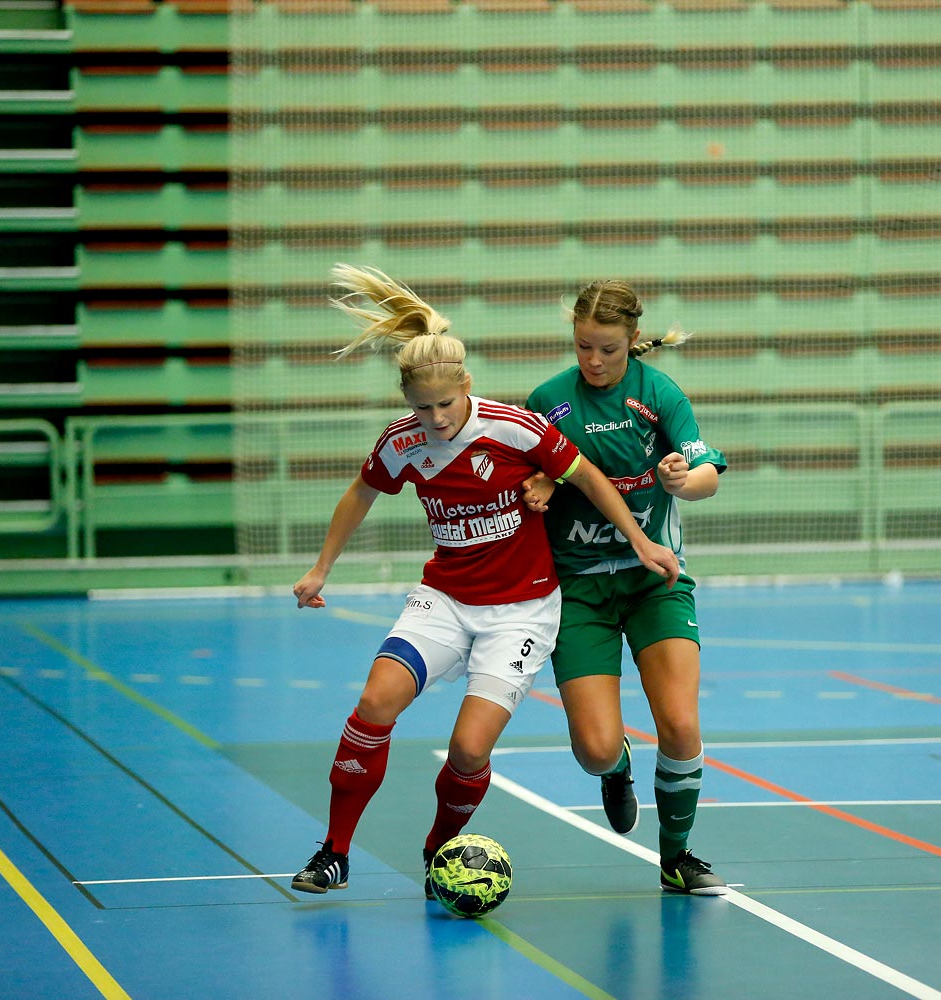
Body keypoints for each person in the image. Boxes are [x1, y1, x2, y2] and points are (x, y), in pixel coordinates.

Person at [289, 265, 680, 896]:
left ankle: (439, 854)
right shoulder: (404, 441)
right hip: (444, 598)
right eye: (421, 407)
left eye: (445, 404)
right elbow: (361, 492)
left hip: (522, 612)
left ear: (465, 386)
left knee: (469, 750)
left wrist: (640, 540)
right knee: (374, 703)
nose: (436, 419)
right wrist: (321, 567)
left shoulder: (512, 427)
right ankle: (333, 852)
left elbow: (585, 476)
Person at [521, 279, 729, 894]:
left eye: (608, 348)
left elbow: (706, 472)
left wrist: (679, 481)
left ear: (633, 341)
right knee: (593, 747)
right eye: (583, 346)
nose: (594, 360)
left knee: (681, 725)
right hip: (579, 588)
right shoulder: (549, 400)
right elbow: (531, 466)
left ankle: (676, 857)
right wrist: (543, 483)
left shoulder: (659, 395)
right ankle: (616, 771)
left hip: (653, 582)